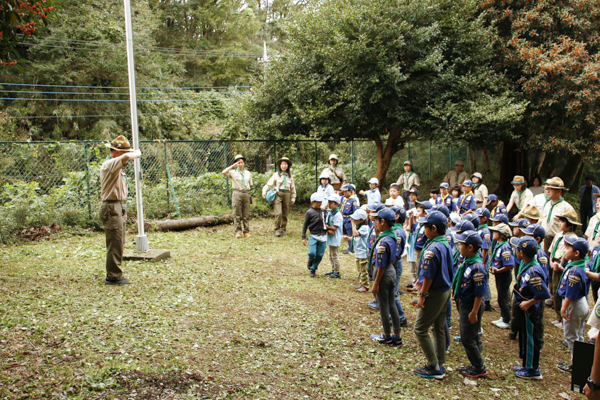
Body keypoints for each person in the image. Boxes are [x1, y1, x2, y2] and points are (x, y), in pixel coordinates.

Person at [412, 211, 453, 380]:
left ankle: (433, 365)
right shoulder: (444, 243)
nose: (423, 230)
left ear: (434, 228)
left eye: (425, 227)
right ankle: (440, 362)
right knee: (438, 327)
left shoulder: (433, 249)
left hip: (434, 292)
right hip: (444, 290)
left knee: (420, 328)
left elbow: (428, 276)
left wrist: (422, 295)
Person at [99, 135, 141, 285]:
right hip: (111, 207)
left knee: (119, 241)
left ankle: (115, 273)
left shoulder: (115, 166)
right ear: (117, 153)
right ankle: (113, 276)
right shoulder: (109, 164)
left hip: (117, 206)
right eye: (124, 154)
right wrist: (137, 152)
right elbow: (131, 155)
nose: (126, 161)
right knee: (115, 242)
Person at [512, 236, 551, 380]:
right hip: (524, 309)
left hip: (531, 311)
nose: (516, 251)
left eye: (517, 249)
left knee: (530, 339)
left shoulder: (533, 272)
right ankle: (526, 364)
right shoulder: (526, 265)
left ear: (521, 253)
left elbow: (543, 293)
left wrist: (529, 303)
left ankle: (533, 369)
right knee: (524, 336)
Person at [453, 230, 488, 378]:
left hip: (471, 305)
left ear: (470, 248)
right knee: (471, 336)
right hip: (465, 303)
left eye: (461, 244)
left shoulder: (477, 268)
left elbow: (480, 293)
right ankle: (474, 363)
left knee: (467, 338)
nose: (459, 246)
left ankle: (479, 367)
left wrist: (474, 312)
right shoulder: (467, 262)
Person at [556, 237, 591, 374]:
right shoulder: (580, 265)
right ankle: (580, 362)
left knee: (571, 337)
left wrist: (564, 309)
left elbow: (571, 292)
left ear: (576, 253)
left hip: (574, 304)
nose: (565, 249)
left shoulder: (575, 271)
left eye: (568, 248)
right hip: (581, 303)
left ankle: (575, 365)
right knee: (579, 335)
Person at [369, 208, 403, 345]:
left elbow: (381, 264)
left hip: (383, 273)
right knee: (392, 303)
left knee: (383, 306)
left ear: (382, 222)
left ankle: (387, 335)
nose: (375, 223)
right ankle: (397, 334)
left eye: (377, 220)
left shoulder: (384, 242)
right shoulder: (391, 236)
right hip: (391, 271)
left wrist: (376, 283)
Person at [540, 177, 575, 308]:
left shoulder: (566, 207)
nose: (547, 191)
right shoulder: (547, 204)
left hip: (559, 241)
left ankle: (558, 298)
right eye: (547, 188)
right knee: (547, 266)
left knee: (557, 268)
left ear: (559, 191)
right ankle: (549, 294)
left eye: (551, 189)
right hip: (546, 239)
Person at [548, 208, 580, 329]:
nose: (560, 223)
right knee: (555, 290)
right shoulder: (558, 235)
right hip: (555, 263)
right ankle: (558, 316)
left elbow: (569, 254)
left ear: (570, 224)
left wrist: (560, 265)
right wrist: (551, 262)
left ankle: (563, 317)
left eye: (562, 221)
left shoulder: (573, 238)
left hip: (564, 266)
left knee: (562, 290)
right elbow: (552, 250)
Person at [488, 223, 515, 329]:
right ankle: (503, 317)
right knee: (500, 296)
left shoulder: (505, 247)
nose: (493, 233)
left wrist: (499, 270)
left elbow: (510, 264)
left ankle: (507, 320)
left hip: (504, 276)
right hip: (499, 275)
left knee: (501, 299)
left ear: (501, 234)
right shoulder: (499, 245)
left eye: (495, 232)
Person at [262, 157, 296, 237]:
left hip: (287, 194)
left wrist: (293, 197)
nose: (284, 166)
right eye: (282, 164)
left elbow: (293, 188)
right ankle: (277, 229)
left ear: (288, 166)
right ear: (280, 165)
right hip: (278, 194)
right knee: (278, 213)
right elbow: (268, 184)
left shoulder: (290, 176)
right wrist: (264, 191)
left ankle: (283, 229)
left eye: (285, 164)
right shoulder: (276, 175)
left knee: (285, 213)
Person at [222, 154, 253, 239]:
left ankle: (246, 231)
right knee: (237, 214)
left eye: (242, 162)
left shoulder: (248, 173)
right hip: (237, 193)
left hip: (246, 193)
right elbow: (223, 172)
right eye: (238, 162)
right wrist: (232, 166)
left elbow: (250, 184)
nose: (240, 164)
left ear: (244, 163)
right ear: (236, 164)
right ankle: (238, 232)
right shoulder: (233, 172)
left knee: (246, 214)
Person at [302, 193, 328, 277]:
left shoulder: (324, 211)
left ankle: (313, 268)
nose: (320, 204)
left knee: (320, 254)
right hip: (313, 235)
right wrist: (303, 237)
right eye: (317, 202)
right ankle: (310, 260)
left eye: (321, 202)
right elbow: (305, 225)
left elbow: (326, 223)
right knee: (312, 252)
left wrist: (329, 230)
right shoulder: (309, 212)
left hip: (323, 236)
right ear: (312, 202)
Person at [392, 205, 409, 327]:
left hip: (394, 265)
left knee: (393, 292)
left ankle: (401, 318)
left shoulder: (398, 232)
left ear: (396, 217)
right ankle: (393, 315)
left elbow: (395, 255)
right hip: (393, 264)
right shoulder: (395, 229)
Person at [351, 208, 370, 292]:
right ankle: (361, 284)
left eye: (356, 219)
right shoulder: (359, 227)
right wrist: (347, 238)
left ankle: (365, 286)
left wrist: (352, 224)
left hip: (363, 252)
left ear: (362, 220)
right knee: (359, 270)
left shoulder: (364, 228)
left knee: (363, 270)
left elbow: (356, 234)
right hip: (358, 251)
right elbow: (357, 237)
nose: (354, 220)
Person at [324, 194, 343, 279]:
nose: (329, 204)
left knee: (335, 255)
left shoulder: (338, 215)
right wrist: (328, 228)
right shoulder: (330, 212)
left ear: (337, 204)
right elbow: (327, 223)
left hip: (335, 238)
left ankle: (337, 272)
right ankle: (332, 269)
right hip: (330, 237)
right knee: (330, 255)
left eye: (331, 203)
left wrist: (327, 227)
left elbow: (335, 227)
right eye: (329, 202)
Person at [341, 184, 360, 254]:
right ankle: (349, 247)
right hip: (343, 218)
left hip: (349, 219)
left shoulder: (354, 200)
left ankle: (351, 248)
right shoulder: (343, 198)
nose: (344, 193)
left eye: (346, 192)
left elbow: (355, 211)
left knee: (350, 234)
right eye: (344, 192)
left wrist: (353, 220)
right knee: (345, 233)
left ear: (351, 191)